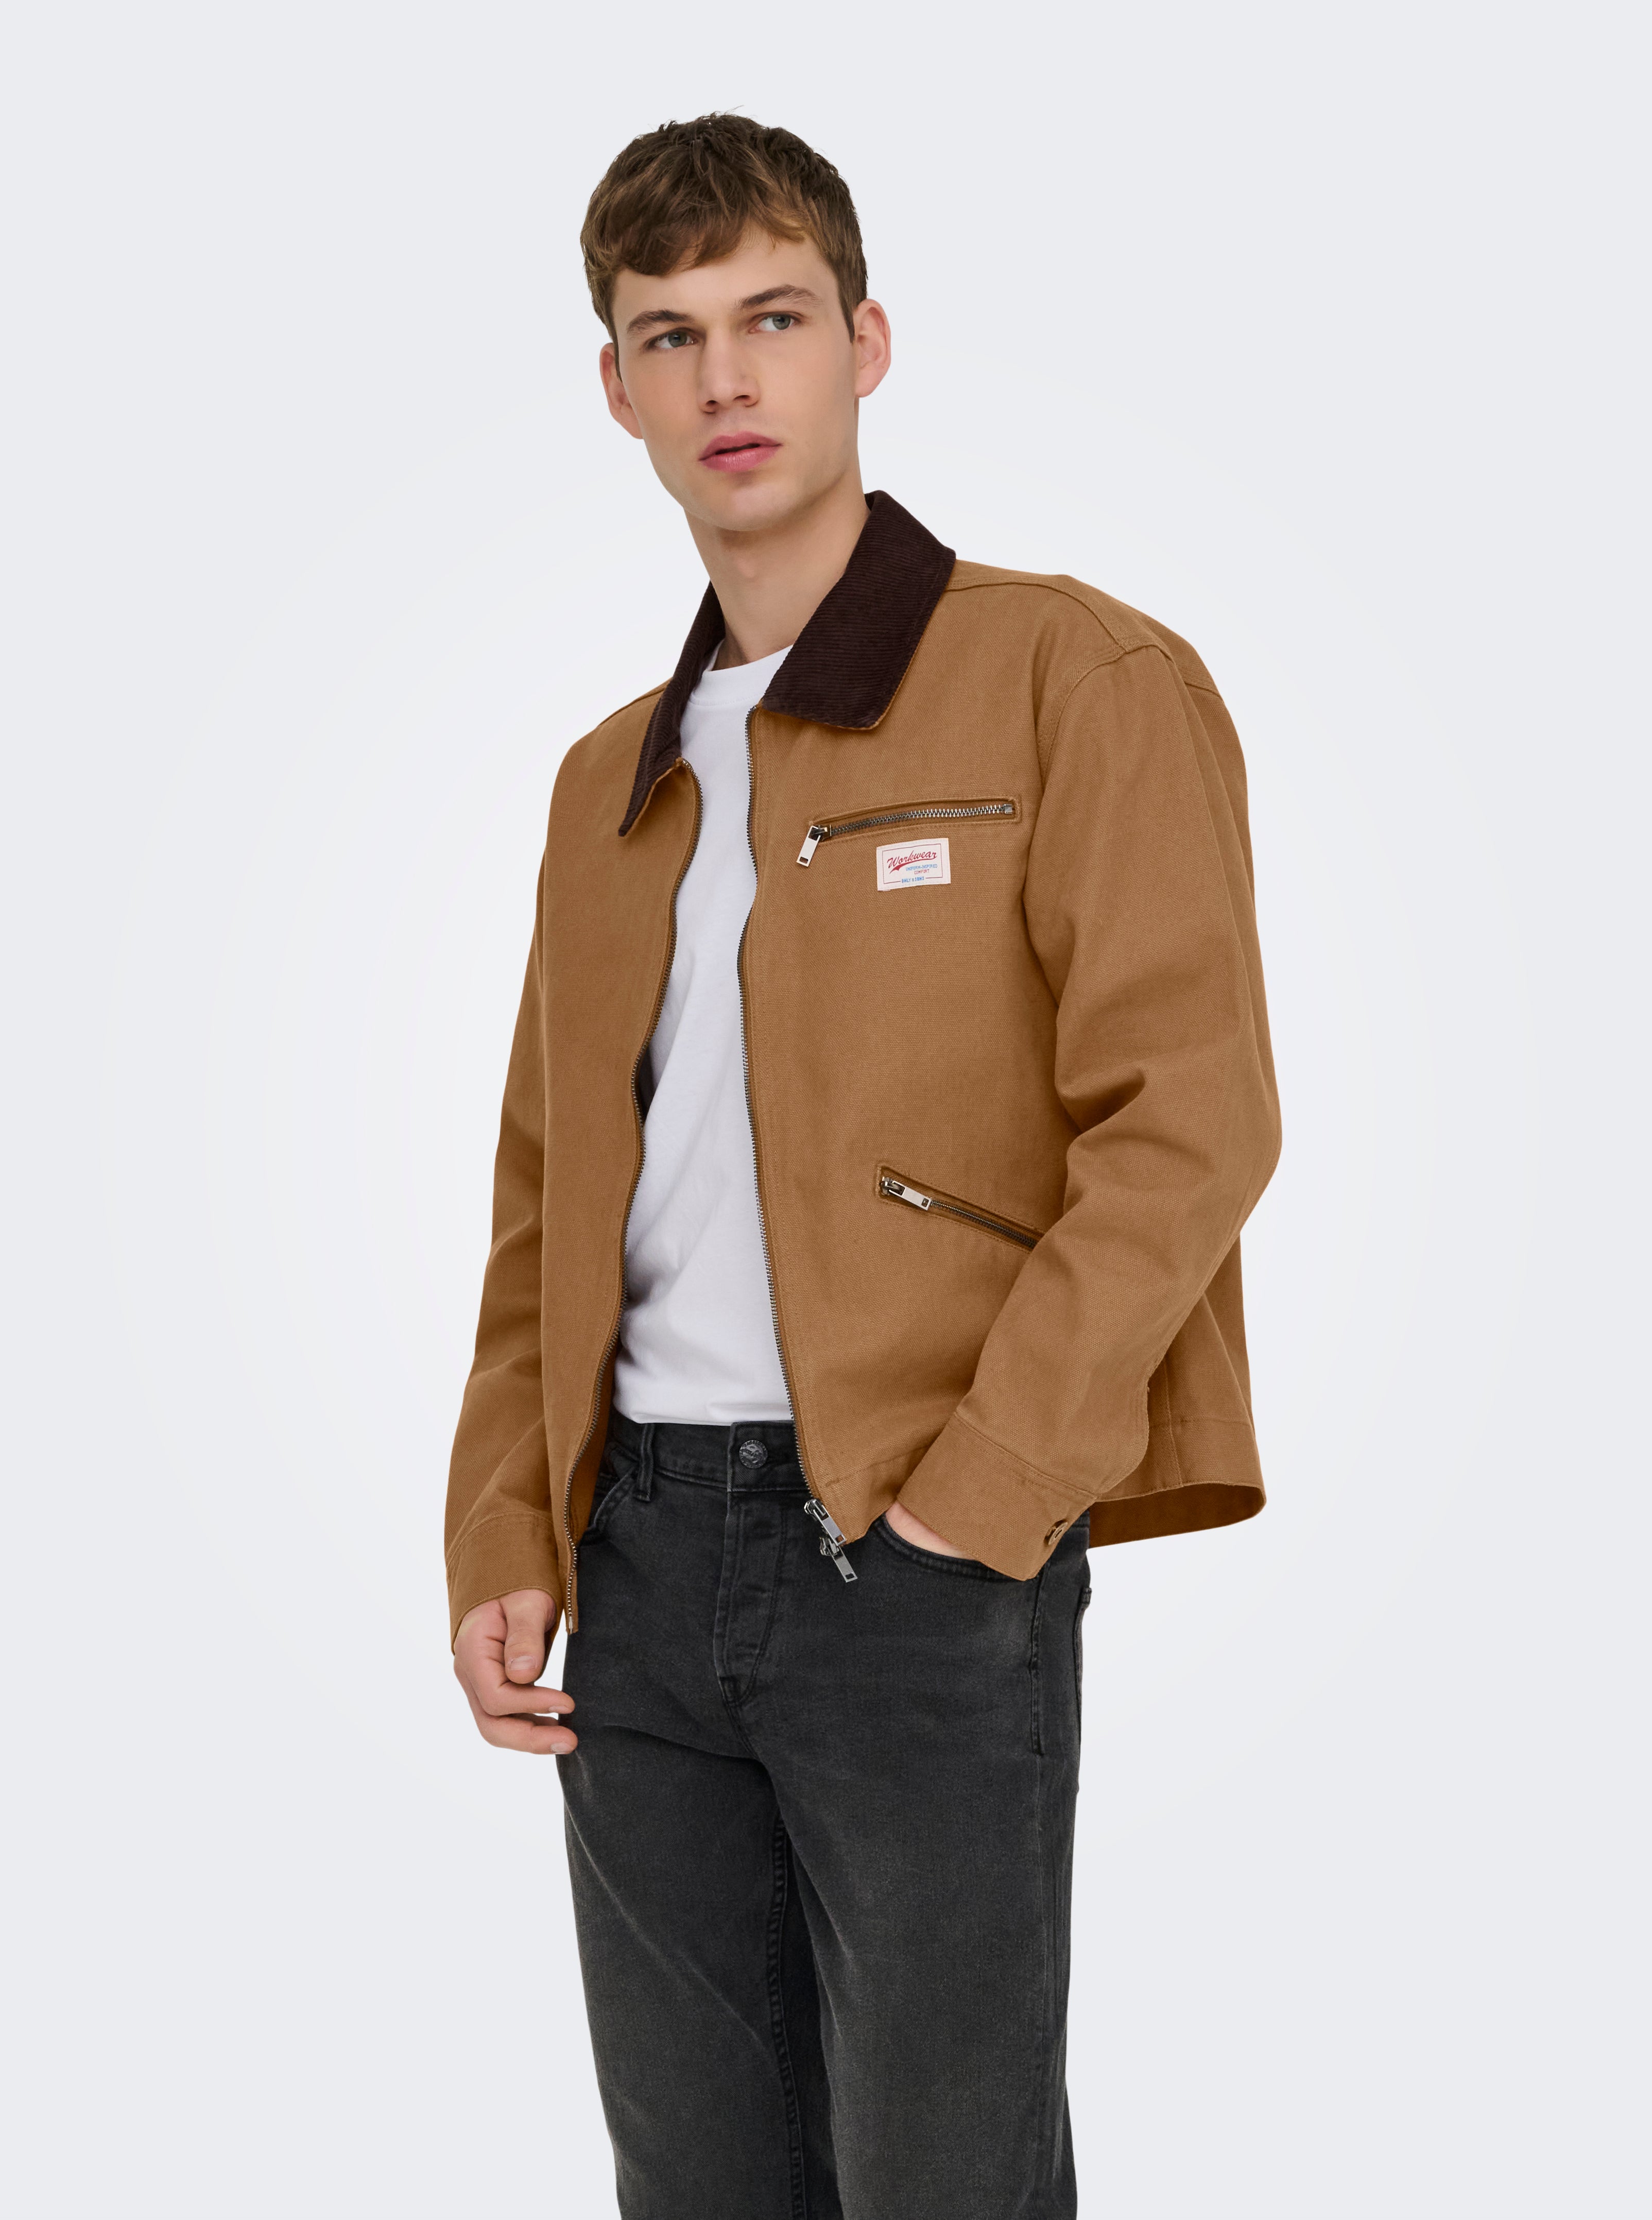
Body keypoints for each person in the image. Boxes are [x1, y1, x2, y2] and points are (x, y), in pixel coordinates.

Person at [444, 112, 1281, 2220]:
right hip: (637, 1566)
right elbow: (547, 1193)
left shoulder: (1070, 674)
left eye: (774, 319)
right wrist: (503, 1524)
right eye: (670, 335)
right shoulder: (605, 783)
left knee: (943, 2181)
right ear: (617, 388)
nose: (725, 377)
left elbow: (1191, 1117)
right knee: (698, 2183)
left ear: (866, 344)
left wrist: (977, 1500)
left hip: (908, 1548)